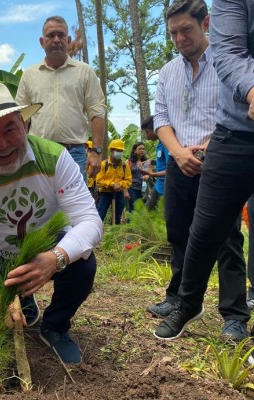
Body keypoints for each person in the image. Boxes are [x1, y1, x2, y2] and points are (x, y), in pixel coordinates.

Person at [0, 82, 102, 364]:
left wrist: (56, 258)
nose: (2, 144)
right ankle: (20, 299)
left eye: (10, 129)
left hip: (48, 246)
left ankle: (55, 326)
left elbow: (90, 221)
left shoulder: (54, 158)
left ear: (25, 124)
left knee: (83, 263)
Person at [151, 0, 250, 341]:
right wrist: (178, 153)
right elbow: (161, 119)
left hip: (218, 157)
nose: (180, 38)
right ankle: (179, 298)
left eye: (186, 30)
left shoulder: (225, 64)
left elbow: (231, 111)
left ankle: (234, 314)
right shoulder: (168, 72)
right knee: (180, 232)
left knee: (226, 239)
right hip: (180, 160)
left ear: (206, 23)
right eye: (174, 32)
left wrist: (209, 148)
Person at [15, 16, 106, 181]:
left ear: (68, 40)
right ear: (42, 42)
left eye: (61, 35)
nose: (56, 40)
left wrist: (97, 152)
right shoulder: (29, 75)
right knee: (40, 204)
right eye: (51, 35)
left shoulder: (84, 72)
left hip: (74, 153)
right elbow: (21, 117)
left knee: (75, 206)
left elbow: (97, 112)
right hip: (38, 153)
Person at [95, 139, 132, 224]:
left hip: (119, 193)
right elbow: (99, 180)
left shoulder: (124, 166)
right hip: (105, 193)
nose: (120, 152)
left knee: (117, 216)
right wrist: (112, 184)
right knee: (100, 214)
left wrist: (119, 185)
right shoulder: (104, 164)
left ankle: (114, 232)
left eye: (121, 151)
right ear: (111, 151)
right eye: (118, 150)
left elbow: (128, 180)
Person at [141, 116, 169, 211]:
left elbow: (173, 169)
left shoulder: (167, 144)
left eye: (148, 132)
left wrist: (153, 174)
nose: (147, 135)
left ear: (156, 129)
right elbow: (163, 162)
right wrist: (152, 161)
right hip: (159, 186)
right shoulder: (160, 143)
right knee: (148, 214)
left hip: (166, 187)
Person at [127, 141, 148, 212]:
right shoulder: (129, 162)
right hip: (133, 189)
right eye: (140, 149)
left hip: (144, 189)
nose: (142, 150)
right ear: (134, 150)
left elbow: (150, 173)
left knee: (144, 210)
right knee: (133, 209)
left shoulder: (146, 161)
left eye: (143, 149)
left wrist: (148, 176)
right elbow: (125, 175)